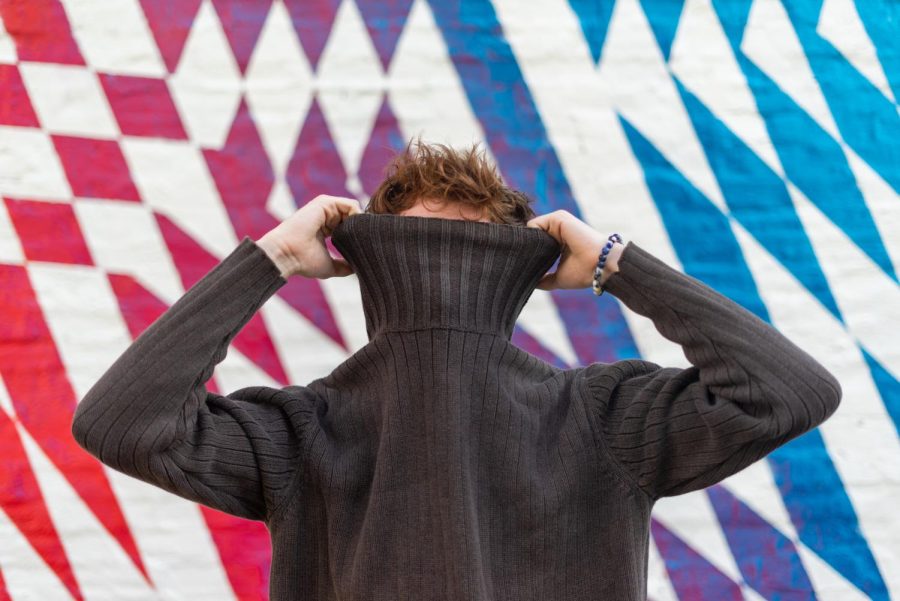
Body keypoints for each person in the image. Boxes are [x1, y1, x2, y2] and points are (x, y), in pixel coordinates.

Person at [71, 139, 842, 600]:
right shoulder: (303, 430)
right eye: (417, 253)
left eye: (466, 255)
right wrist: (610, 263)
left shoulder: (602, 415)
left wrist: (273, 260)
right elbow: (119, 423)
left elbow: (790, 393)